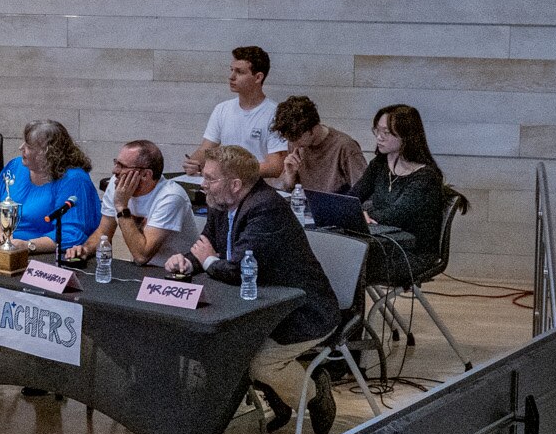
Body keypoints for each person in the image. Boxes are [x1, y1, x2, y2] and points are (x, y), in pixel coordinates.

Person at [164, 148, 340, 434]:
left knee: (260, 363)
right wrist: (188, 261)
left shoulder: (265, 208)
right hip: (257, 306)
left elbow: (238, 270)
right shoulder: (222, 202)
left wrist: (207, 261)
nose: (202, 184)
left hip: (302, 312)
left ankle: (314, 392)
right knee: (220, 345)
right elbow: (208, 243)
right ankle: (274, 398)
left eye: (209, 178)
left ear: (235, 184)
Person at [0, 120, 106, 259]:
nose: (21, 148)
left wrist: (28, 245)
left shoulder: (74, 180)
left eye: (29, 146)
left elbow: (71, 233)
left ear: (48, 152)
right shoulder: (15, 167)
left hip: (44, 254)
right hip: (0, 248)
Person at [357, 104, 452, 258]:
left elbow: (396, 214)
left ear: (406, 136)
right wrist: (354, 212)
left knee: (349, 262)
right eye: (377, 130)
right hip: (383, 242)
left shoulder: (426, 176)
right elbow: (353, 196)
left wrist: (361, 214)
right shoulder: (380, 164)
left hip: (412, 252)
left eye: (386, 132)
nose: (379, 137)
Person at [102, 140, 198, 268]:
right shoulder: (117, 183)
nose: (115, 170)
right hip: (142, 271)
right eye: (116, 163)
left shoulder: (171, 196)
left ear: (146, 175)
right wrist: (83, 250)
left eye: (122, 166)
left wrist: (121, 206)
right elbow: (103, 232)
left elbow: (142, 256)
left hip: (174, 272)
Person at [193, 47, 282, 181]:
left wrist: (230, 170)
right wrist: (194, 163)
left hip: (259, 189)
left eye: (239, 72)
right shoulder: (222, 109)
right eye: (231, 70)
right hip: (226, 189)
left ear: (258, 77)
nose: (231, 77)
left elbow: (274, 167)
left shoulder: (275, 114)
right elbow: (205, 150)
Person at [270, 96, 365, 199]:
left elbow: (365, 189)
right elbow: (287, 189)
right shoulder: (294, 143)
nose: (294, 144)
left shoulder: (344, 147)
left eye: (298, 138)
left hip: (334, 207)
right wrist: (290, 175)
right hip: (303, 206)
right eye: (290, 139)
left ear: (313, 128)